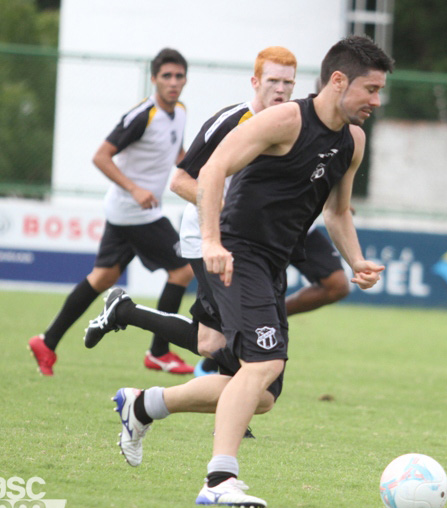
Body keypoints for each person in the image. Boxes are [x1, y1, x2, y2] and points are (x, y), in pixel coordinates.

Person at [104, 36, 393, 508]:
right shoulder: (283, 120)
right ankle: (219, 480)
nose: (376, 102)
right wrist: (213, 241)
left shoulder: (353, 142)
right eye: (371, 89)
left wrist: (355, 260)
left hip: (271, 263)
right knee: (263, 365)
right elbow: (213, 169)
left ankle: (144, 405)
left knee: (260, 394)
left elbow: (338, 213)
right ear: (338, 80)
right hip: (236, 254)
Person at [83, 46, 349, 380]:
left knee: (214, 340)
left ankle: (125, 312)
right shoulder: (233, 120)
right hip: (209, 237)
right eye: (273, 81)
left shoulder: (295, 123)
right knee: (226, 339)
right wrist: (226, 211)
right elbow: (180, 180)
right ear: (255, 81)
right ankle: (236, 410)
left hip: (263, 239)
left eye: (288, 82)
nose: (280, 89)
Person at [27, 48, 195, 376]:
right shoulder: (142, 116)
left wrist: (201, 172)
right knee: (183, 270)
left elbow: (175, 152)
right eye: (166, 76)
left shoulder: (182, 112)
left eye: (178, 76)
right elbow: (101, 156)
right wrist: (134, 188)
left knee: (103, 277)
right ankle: (159, 352)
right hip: (135, 211)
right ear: (154, 79)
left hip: (128, 212)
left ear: (185, 79)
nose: (173, 83)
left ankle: (47, 341)